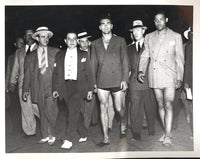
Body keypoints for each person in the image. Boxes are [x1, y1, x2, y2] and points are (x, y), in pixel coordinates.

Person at [138, 10, 184, 147]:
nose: (159, 22)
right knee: (160, 104)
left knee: (168, 104)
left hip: (170, 75)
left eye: (161, 19)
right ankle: (166, 131)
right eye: (156, 20)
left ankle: (168, 136)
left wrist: (180, 77)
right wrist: (141, 70)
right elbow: (145, 55)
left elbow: (180, 59)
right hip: (155, 74)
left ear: (166, 20)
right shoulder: (149, 37)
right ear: (154, 22)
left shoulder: (176, 36)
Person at [91, 15, 129, 146]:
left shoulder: (120, 41)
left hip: (117, 79)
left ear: (111, 26)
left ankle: (123, 124)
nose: (106, 26)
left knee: (119, 108)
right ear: (100, 27)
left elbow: (125, 60)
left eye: (108, 23)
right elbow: (93, 64)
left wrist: (125, 79)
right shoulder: (95, 44)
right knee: (103, 108)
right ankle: (106, 138)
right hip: (102, 80)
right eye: (103, 24)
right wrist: (93, 83)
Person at [52, 31, 93, 149]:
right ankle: (84, 133)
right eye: (69, 39)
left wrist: (90, 89)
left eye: (74, 38)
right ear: (65, 41)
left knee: (73, 112)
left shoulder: (83, 54)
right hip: (64, 87)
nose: (71, 41)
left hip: (79, 87)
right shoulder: (59, 55)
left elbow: (89, 73)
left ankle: (69, 139)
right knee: (74, 111)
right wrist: (55, 88)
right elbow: (55, 73)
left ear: (77, 41)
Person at [23, 26, 59, 145]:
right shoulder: (30, 56)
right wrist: (25, 90)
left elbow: (59, 71)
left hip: (51, 85)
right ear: (37, 38)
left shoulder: (55, 52)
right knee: (42, 111)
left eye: (47, 37)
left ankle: (52, 134)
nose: (45, 39)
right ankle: (45, 135)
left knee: (51, 110)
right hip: (37, 86)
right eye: (42, 36)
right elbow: (27, 74)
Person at [77, 31, 115, 129]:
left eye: (86, 41)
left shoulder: (93, 51)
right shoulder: (76, 53)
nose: (84, 43)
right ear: (78, 42)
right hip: (80, 84)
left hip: (94, 82)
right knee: (81, 107)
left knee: (92, 106)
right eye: (82, 41)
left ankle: (86, 128)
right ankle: (87, 123)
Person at [128, 20, 157, 141]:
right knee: (135, 108)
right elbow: (127, 65)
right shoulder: (128, 48)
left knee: (150, 106)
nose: (136, 32)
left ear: (144, 31)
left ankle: (151, 129)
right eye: (134, 30)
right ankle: (136, 133)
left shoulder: (151, 45)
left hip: (149, 80)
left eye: (138, 30)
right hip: (134, 82)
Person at [9, 30, 39, 136]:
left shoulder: (40, 49)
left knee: (37, 106)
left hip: (36, 83)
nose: (29, 37)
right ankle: (30, 131)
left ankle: (48, 124)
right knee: (25, 107)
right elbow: (15, 68)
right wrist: (12, 82)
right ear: (24, 37)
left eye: (31, 35)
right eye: (27, 35)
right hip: (22, 83)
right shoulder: (19, 52)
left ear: (35, 37)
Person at [5, 37, 24, 134]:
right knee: (14, 107)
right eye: (19, 43)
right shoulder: (11, 57)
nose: (21, 44)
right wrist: (6, 87)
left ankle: (24, 128)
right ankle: (16, 129)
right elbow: (8, 72)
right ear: (15, 45)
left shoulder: (25, 54)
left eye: (22, 43)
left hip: (23, 85)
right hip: (13, 87)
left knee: (23, 108)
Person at [181, 27, 193, 139]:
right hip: (191, 79)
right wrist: (186, 82)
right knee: (190, 103)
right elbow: (187, 64)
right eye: (190, 33)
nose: (192, 35)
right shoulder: (188, 46)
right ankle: (194, 131)